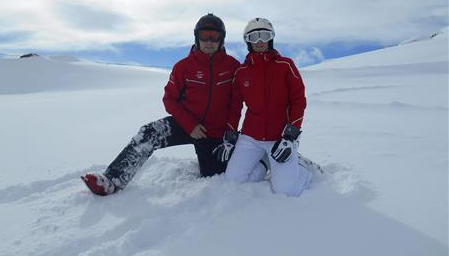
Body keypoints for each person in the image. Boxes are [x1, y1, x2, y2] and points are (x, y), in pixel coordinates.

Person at [81, 13, 266, 196]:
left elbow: (236, 104)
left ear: (222, 39)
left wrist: (230, 132)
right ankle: (113, 179)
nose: (209, 41)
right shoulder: (183, 67)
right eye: (204, 36)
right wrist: (190, 125)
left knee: (214, 175)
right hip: (186, 124)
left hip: (215, 132)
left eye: (215, 36)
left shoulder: (233, 67)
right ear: (197, 37)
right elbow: (169, 99)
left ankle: (262, 157)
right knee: (149, 132)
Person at [213, 17, 311, 196]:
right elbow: (235, 106)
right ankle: (265, 163)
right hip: (251, 137)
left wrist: (290, 136)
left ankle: (301, 166)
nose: (259, 41)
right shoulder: (241, 72)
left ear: (271, 38)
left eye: (264, 35)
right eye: (253, 37)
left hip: (280, 137)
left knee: (286, 190)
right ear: (247, 41)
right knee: (233, 180)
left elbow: (298, 100)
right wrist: (230, 136)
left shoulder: (285, 65)